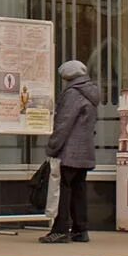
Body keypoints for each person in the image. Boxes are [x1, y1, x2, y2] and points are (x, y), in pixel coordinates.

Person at [41, 60, 98, 244]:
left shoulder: (73, 94)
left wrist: (52, 146)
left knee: (62, 190)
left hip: (69, 151)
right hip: (85, 150)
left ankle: (60, 229)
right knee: (79, 188)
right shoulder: (91, 92)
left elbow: (64, 123)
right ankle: (81, 229)